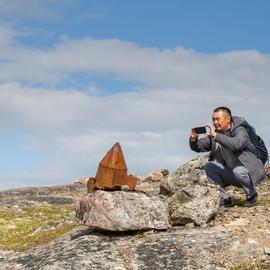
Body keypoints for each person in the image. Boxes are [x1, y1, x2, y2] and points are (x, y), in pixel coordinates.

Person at [189, 106, 266, 207]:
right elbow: (199, 147)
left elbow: (236, 144)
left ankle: (251, 195)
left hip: (249, 173)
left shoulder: (240, 130)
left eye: (218, 119)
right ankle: (224, 198)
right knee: (209, 166)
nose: (215, 122)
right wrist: (193, 139)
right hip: (232, 173)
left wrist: (216, 136)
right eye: (213, 119)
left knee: (238, 171)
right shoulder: (215, 134)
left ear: (228, 119)